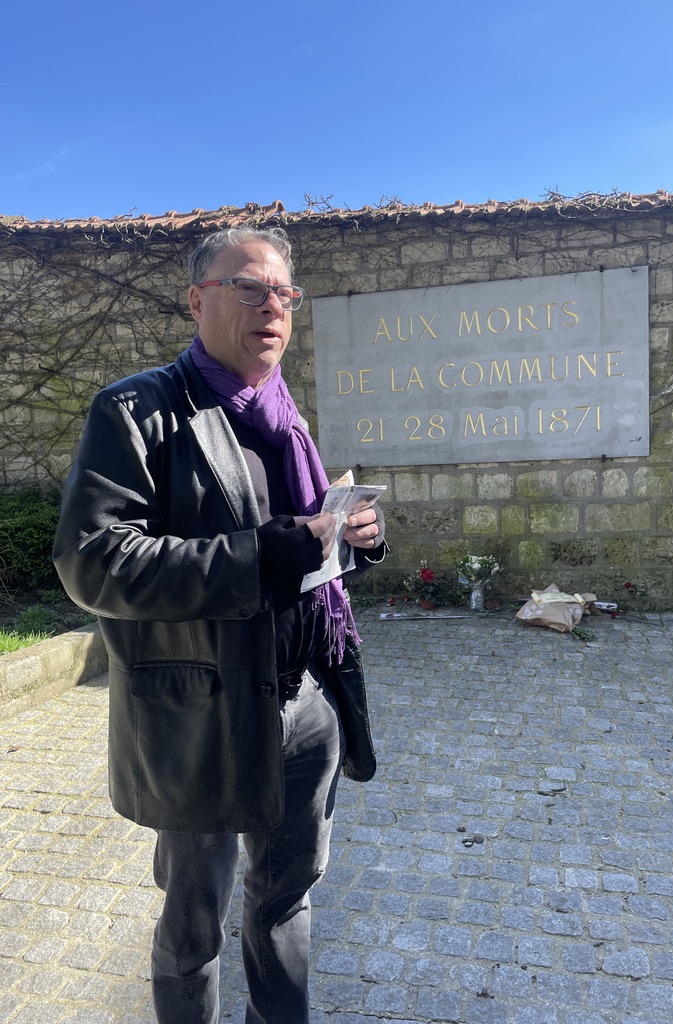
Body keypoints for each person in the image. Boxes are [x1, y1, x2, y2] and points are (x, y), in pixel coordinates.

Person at [53, 224, 387, 1024]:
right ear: (196, 300)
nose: (271, 306)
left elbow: (302, 547)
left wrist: (351, 537)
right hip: (202, 717)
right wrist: (264, 554)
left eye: (284, 293)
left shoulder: (283, 414)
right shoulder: (136, 411)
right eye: (248, 288)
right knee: (192, 925)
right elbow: (94, 561)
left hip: (306, 702)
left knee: (286, 901)